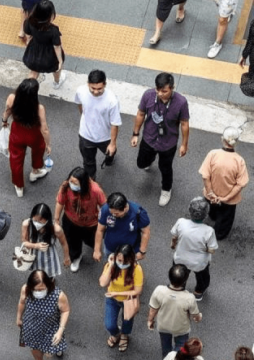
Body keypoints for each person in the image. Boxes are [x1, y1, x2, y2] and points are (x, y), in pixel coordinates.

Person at [131, 72, 190, 206]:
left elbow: (184, 124)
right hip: (149, 138)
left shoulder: (181, 102)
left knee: (165, 168)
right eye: (158, 90)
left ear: (172, 88)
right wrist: (135, 134)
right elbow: (141, 113)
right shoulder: (148, 95)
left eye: (164, 91)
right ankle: (150, 159)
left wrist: (184, 144)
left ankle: (166, 189)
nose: (160, 93)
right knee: (141, 163)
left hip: (168, 143)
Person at [1, 78, 52, 197]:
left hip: (17, 132)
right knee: (38, 150)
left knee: (15, 158)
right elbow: (44, 129)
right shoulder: (39, 108)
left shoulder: (11, 98)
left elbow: (7, 112)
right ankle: (35, 171)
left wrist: (4, 121)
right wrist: (48, 144)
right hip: (33, 134)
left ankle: (19, 186)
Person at [199, 126, 249, 240]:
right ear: (236, 143)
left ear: (222, 139)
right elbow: (240, 185)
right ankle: (219, 235)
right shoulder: (239, 161)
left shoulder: (213, 154)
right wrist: (226, 198)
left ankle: (213, 216)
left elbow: (205, 176)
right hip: (229, 200)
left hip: (210, 195)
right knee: (226, 218)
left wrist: (211, 193)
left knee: (212, 209)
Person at [54, 167, 106, 272]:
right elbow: (60, 202)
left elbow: (104, 206)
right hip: (70, 221)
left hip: (90, 224)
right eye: (71, 180)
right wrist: (56, 219)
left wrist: (104, 221)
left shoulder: (95, 191)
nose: (72, 184)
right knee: (72, 242)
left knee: (91, 241)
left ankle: (93, 246)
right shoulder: (66, 186)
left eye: (75, 182)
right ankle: (76, 257)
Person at [74, 70, 122, 180]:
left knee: (110, 152)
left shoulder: (112, 100)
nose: (96, 92)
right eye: (93, 88)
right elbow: (80, 104)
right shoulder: (80, 91)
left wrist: (113, 144)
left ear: (105, 84)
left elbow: (115, 123)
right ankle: (91, 183)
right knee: (88, 162)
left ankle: (110, 159)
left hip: (105, 137)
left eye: (99, 89)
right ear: (88, 84)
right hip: (85, 136)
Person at [148, 264, 202, 358]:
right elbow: (195, 315)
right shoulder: (189, 298)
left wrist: (150, 320)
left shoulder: (159, 290)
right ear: (185, 280)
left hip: (163, 326)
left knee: (165, 347)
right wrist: (198, 317)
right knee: (181, 347)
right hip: (181, 328)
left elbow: (153, 310)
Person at [16, 270, 69, 360]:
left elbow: (65, 311)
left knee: (52, 347)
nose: (37, 292)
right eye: (35, 289)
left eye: (41, 289)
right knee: (34, 347)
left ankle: (55, 350)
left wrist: (60, 330)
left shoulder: (58, 296)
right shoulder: (26, 289)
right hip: (31, 326)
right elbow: (22, 302)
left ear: (48, 285)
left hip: (50, 327)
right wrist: (19, 317)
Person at [171, 197, 218, 301]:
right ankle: (198, 292)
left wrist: (173, 245)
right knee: (202, 278)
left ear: (189, 210)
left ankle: (179, 288)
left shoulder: (181, 222)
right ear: (206, 215)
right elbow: (212, 249)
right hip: (199, 263)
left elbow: (174, 237)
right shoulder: (208, 231)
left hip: (180, 258)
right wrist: (203, 248)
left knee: (180, 275)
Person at [99, 244, 144, 352]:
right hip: (112, 299)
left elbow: (137, 291)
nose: (122, 264)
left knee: (127, 319)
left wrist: (117, 293)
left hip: (128, 299)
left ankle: (124, 335)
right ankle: (116, 334)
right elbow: (102, 283)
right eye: (119, 260)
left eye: (125, 261)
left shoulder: (136, 269)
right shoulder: (113, 266)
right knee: (109, 325)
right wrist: (110, 265)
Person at [93, 192, 151, 262]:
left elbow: (146, 232)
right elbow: (100, 230)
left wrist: (142, 251)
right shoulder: (105, 210)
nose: (113, 215)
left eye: (116, 213)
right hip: (111, 249)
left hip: (130, 252)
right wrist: (97, 250)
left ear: (125, 207)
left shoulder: (138, 213)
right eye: (112, 213)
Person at [22, 0, 66, 88]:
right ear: (50, 16)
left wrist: (28, 42)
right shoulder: (53, 30)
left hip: (34, 51)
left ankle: (27, 88)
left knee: (34, 72)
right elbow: (57, 46)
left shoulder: (29, 22)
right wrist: (60, 61)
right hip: (49, 54)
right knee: (57, 68)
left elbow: (28, 34)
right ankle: (57, 82)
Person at [21, 203, 70, 278]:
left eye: (40, 222)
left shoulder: (56, 229)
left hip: (49, 257)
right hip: (34, 256)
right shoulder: (27, 224)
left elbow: (64, 243)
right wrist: (36, 246)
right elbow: (24, 242)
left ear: (47, 220)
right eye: (35, 220)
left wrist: (66, 258)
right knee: (37, 276)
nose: (37, 223)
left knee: (49, 277)